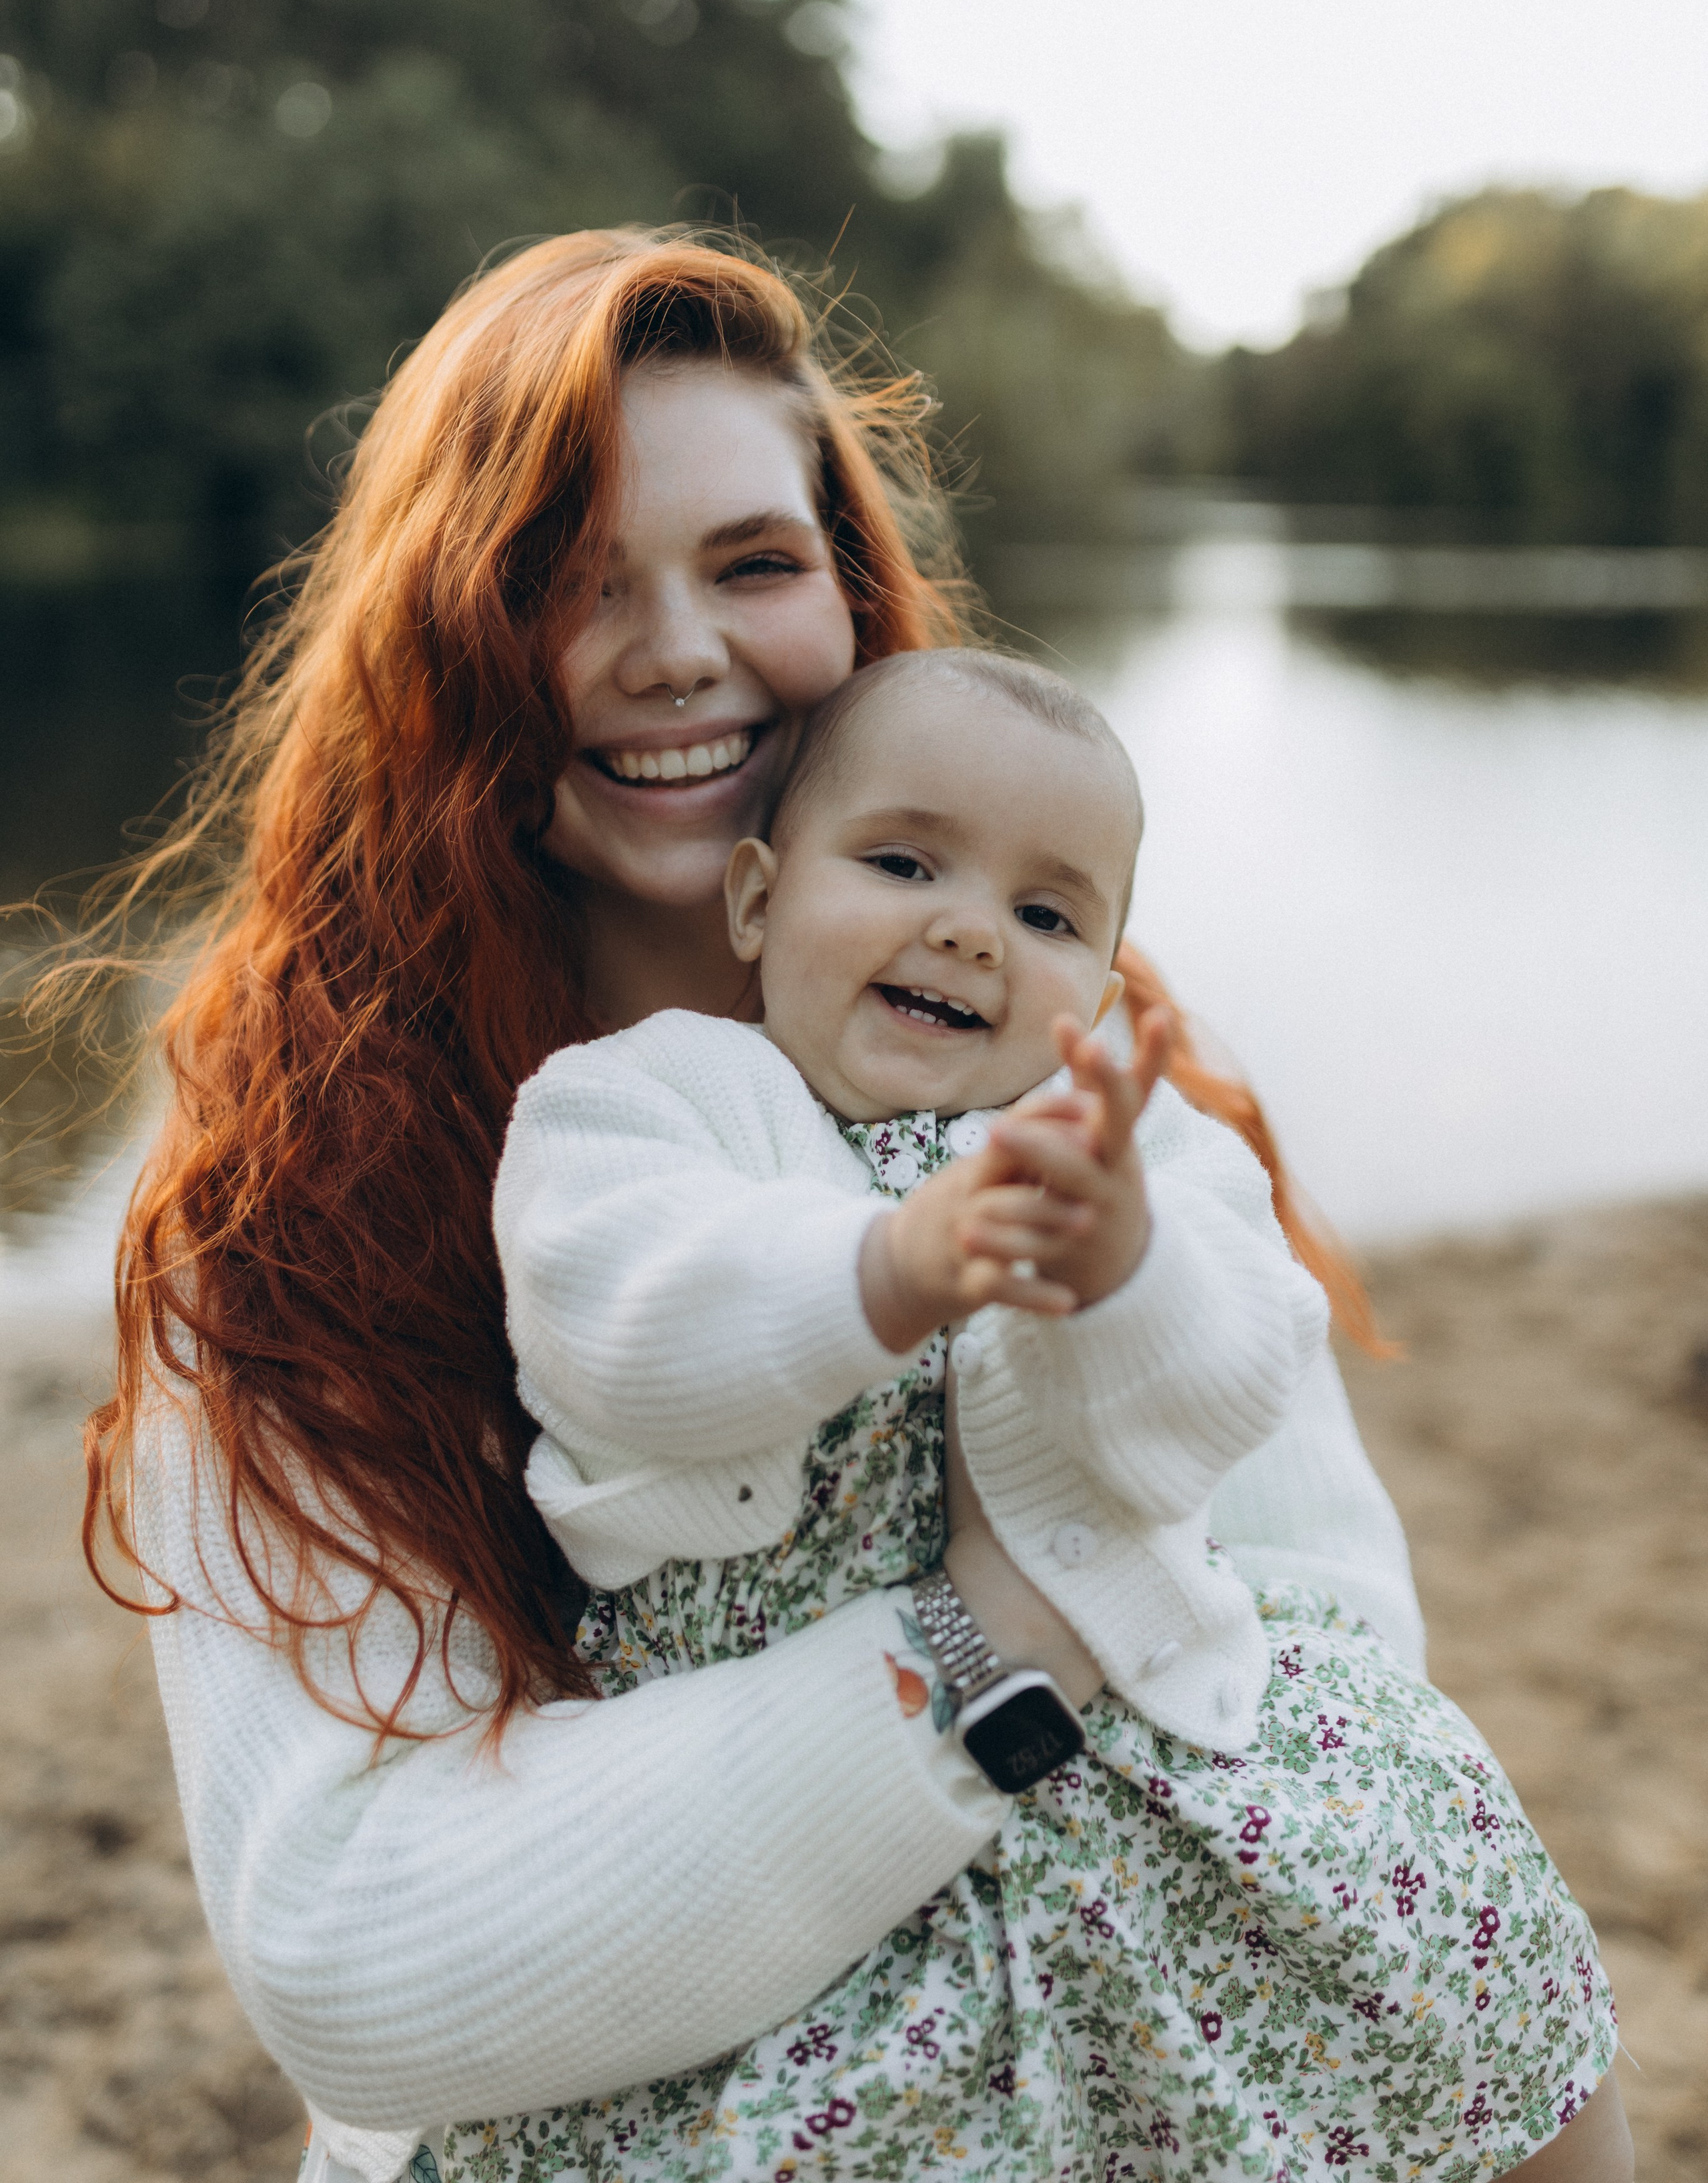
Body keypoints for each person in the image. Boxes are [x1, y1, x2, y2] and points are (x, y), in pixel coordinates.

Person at [71, 232, 1627, 2183]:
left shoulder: (1061, 1058)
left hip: (1126, 2032)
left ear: (850, 593)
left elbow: (1324, 1636)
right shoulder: (294, 1205)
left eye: (752, 563)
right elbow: (359, 1954)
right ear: (446, 639)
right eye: (569, 585)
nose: (675, 649)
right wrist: (992, 1635)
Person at [469, 648, 1619, 2181]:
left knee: (1471, 1936)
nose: (965, 929)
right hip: (809, 1810)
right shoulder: (645, 1103)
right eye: (899, 861)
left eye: (1047, 913)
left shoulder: (1142, 1159)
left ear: (1106, 981)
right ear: (755, 899)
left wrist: (1119, 1273)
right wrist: (886, 1267)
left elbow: (1212, 1407)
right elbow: (615, 1322)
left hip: (1154, 1741)